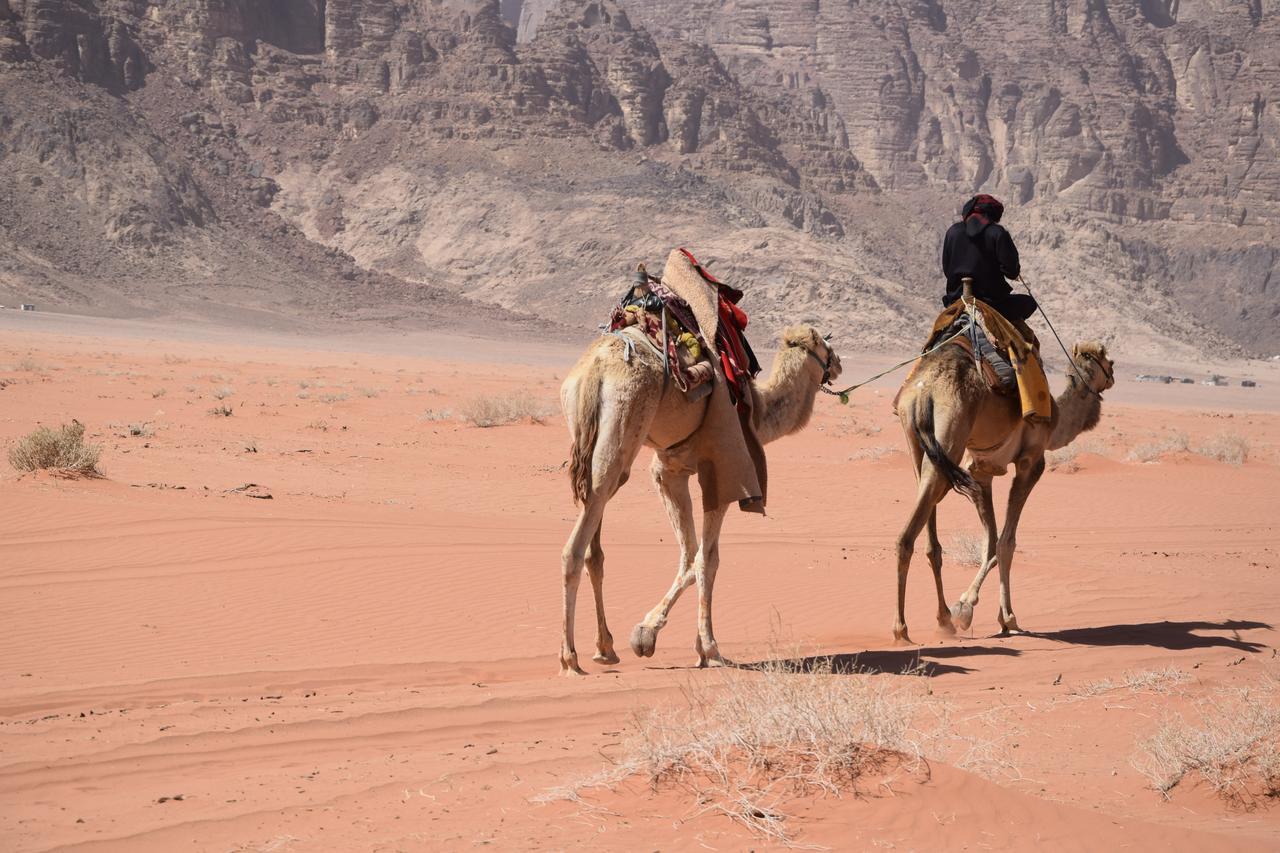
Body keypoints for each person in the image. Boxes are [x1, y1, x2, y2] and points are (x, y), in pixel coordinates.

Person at [941, 194, 1037, 323]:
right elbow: (1011, 271)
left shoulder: (952, 232)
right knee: (1029, 303)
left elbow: (947, 270)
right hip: (993, 303)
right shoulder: (997, 233)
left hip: (956, 300)